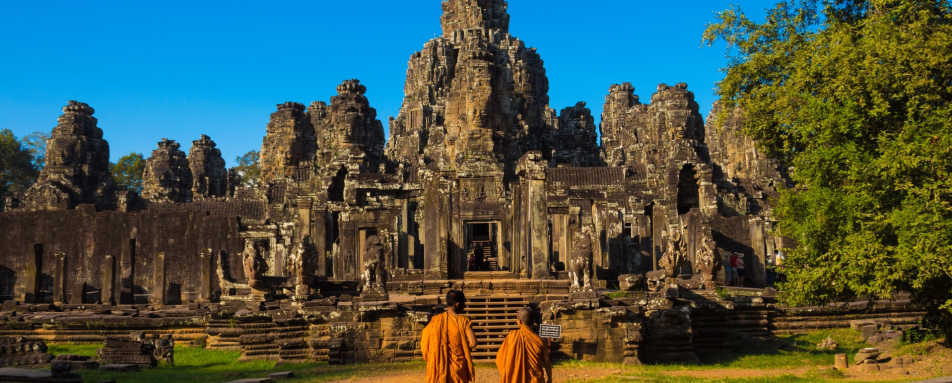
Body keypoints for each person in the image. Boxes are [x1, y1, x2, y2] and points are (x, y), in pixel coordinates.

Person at [422, 290, 476, 383]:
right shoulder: (463, 321)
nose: (464, 305)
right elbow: (473, 343)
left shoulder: (435, 321)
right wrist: (462, 348)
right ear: (457, 304)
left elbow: (425, 344)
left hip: (438, 366)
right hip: (458, 367)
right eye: (463, 303)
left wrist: (436, 355)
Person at [495, 307, 552, 383]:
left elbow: (501, 358)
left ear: (519, 321)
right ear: (533, 321)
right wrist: (549, 377)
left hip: (515, 379)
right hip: (535, 380)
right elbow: (547, 361)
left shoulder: (512, 337)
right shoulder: (541, 341)